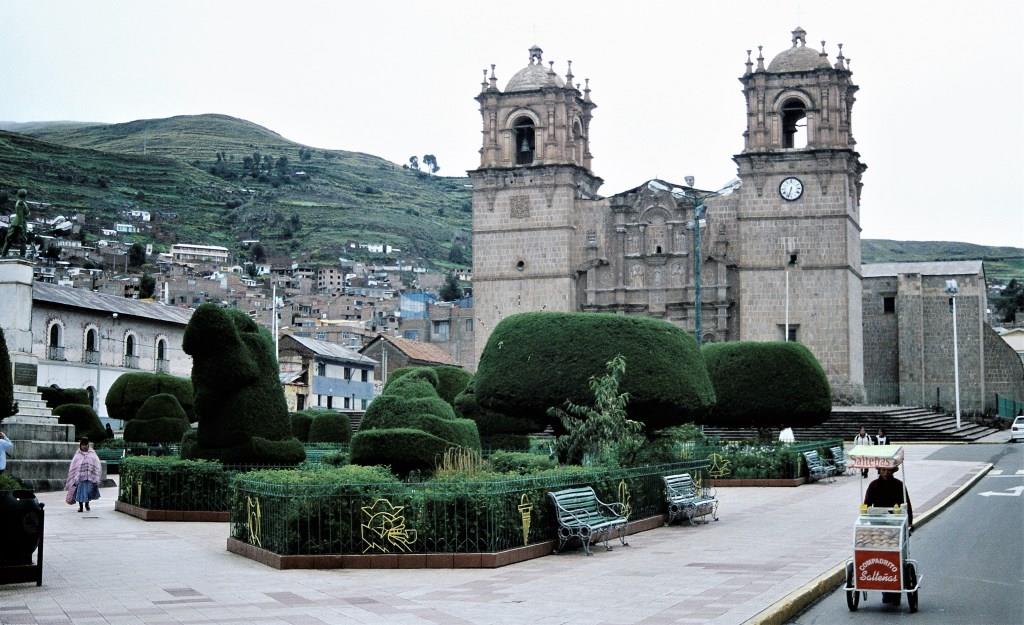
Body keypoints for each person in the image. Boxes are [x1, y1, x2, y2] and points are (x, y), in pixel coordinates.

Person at [66, 437, 102, 512]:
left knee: (88, 492)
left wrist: (94, 473)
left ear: (88, 445)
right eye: (83, 445)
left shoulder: (92, 453)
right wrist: (74, 477)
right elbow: (74, 465)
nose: (84, 446)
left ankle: (87, 504)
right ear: (80, 445)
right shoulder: (78, 454)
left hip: (89, 478)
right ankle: (81, 506)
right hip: (80, 478)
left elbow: (96, 463)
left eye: (86, 445)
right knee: (80, 493)